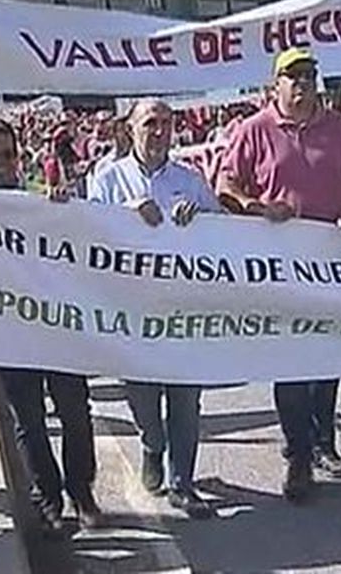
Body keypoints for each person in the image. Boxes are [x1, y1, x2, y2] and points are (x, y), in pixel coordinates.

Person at [217, 48, 341, 503]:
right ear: (275, 85)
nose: (302, 83)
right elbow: (225, 186)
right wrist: (258, 208)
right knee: (290, 363)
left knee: (327, 359)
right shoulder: (254, 130)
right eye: (292, 76)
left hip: (331, 265)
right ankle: (298, 457)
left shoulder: (339, 128)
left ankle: (324, 443)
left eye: (309, 75)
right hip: (281, 270)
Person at [0, 119, 104, 534]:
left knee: (76, 413)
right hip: (9, 337)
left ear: (19, 157)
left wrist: (63, 208)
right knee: (29, 422)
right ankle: (48, 497)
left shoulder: (43, 201)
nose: (1, 163)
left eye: (8, 154)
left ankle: (81, 491)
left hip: (56, 331)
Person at [86, 99, 218, 519]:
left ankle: (183, 483)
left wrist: (201, 219)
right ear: (131, 128)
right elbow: (89, 236)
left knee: (185, 401)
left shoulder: (191, 181)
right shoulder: (107, 180)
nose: (159, 131)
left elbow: (225, 238)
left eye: (165, 123)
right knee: (144, 400)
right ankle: (151, 444)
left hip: (182, 312)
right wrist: (124, 216)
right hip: (133, 316)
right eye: (150, 123)